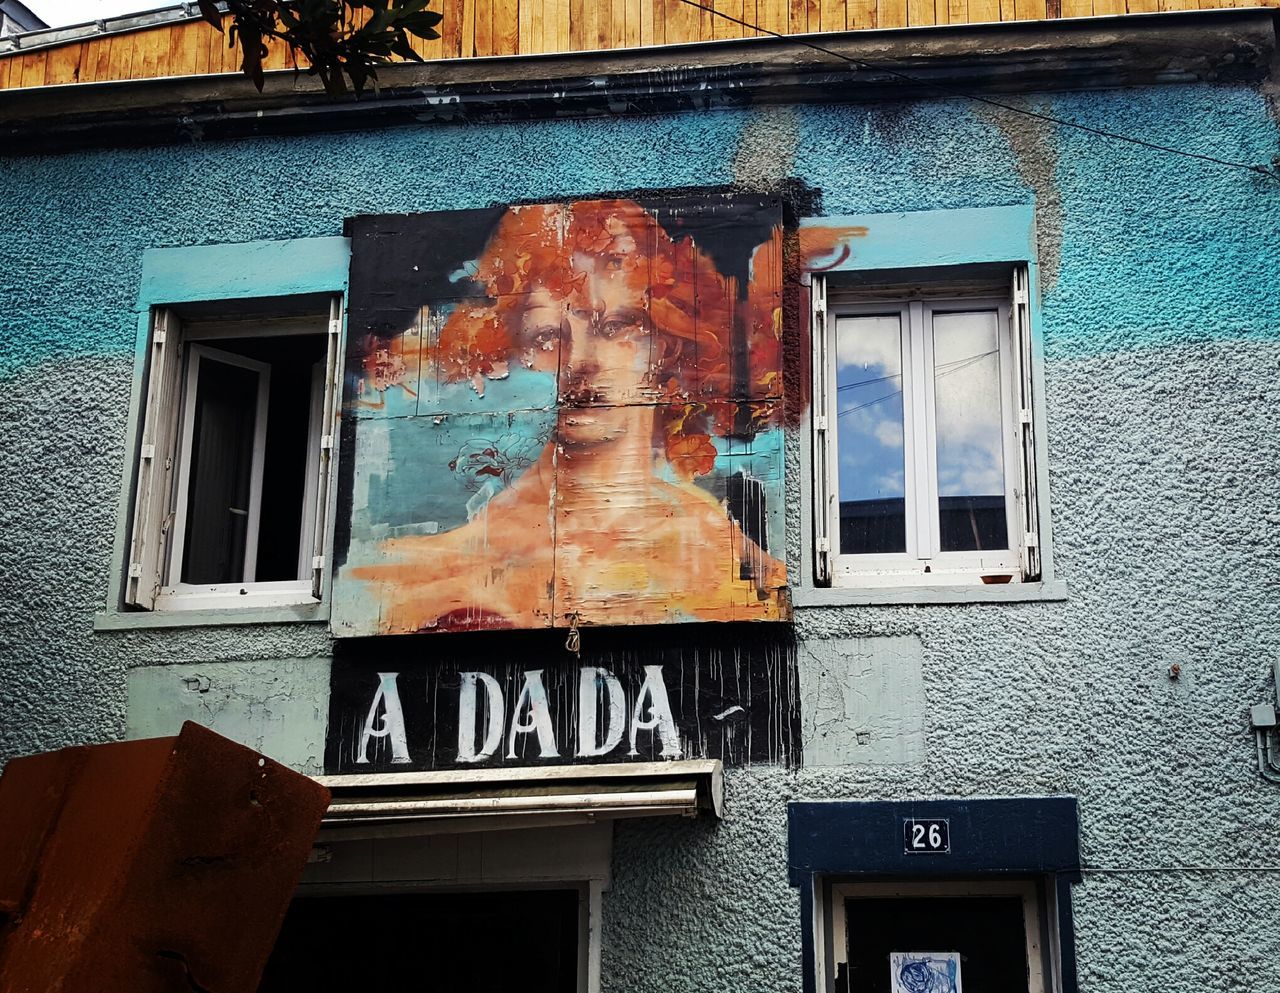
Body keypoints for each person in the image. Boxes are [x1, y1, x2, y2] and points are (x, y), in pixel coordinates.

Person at [344, 199, 787, 634]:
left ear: (669, 347)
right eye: (548, 336)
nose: (580, 362)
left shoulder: (725, 550)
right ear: (507, 352)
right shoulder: (441, 569)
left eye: (615, 327)